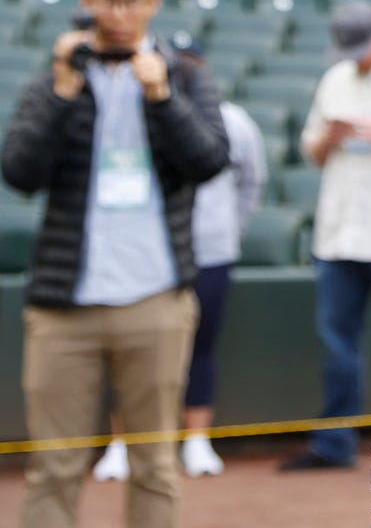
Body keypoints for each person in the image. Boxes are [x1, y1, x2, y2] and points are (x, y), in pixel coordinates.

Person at [0, 0, 229, 528]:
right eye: (107, 2)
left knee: (155, 463)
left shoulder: (185, 74)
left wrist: (161, 96)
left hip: (155, 300)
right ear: (87, 1)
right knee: (54, 465)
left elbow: (208, 161)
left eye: (131, 2)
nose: (119, 15)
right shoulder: (59, 76)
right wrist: (60, 89)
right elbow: (20, 172)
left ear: (152, 1)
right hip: (63, 307)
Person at [92, 34, 266, 483]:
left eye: (193, 62)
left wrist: (232, 229)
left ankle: (196, 440)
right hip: (153, 251)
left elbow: (251, 182)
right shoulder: (141, 110)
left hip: (210, 249)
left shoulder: (234, 121)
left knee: (201, 348)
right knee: (129, 349)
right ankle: (122, 442)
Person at [282, 1, 371, 473]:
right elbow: (311, 152)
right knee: (338, 345)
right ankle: (335, 444)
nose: (356, 55)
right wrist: (330, 137)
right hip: (338, 234)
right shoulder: (336, 79)